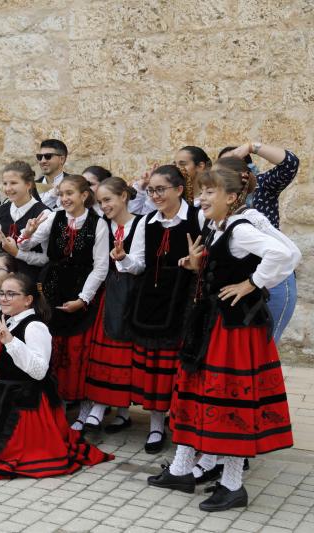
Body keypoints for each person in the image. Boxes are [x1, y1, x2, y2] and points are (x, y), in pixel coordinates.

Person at [148, 157, 296, 512]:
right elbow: (219, 265)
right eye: (201, 191)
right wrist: (196, 265)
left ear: (232, 196)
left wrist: (253, 283)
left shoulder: (242, 228)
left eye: (209, 191)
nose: (202, 198)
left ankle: (232, 485)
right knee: (196, 394)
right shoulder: (217, 225)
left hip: (233, 331)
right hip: (209, 324)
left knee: (229, 405)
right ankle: (184, 468)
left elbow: (286, 253)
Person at [0, 274, 113, 479]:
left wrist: (11, 342)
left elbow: (39, 371)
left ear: (28, 299)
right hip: (4, 397)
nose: (3, 298)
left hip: (27, 403)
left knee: (13, 455)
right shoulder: (10, 321)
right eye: (1, 293)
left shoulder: (35, 326)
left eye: (11, 294)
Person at [113, 165, 203, 453]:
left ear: (178, 189)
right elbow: (139, 264)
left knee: (178, 366)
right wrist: (124, 258)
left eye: (160, 189)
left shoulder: (197, 217)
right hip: (151, 299)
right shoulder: (147, 221)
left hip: (185, 300)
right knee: (154, 366)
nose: (155, 195)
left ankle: (183, 425)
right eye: (151, 190)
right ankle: (155, 426)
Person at [18, 175, 108, 425]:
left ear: (84, 196)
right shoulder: (53, 217)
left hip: (80, 289)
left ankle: (83, 409)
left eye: (70, 193)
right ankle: (55, 404)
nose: (65, 198)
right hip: (52, 289)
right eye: (61, 194)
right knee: (53, 347)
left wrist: (83, 298)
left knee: (79, 350)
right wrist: (27, 233)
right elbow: (24, 247)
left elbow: (100, 267)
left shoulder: (98, 224)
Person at [218, 142, 299, 341]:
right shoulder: (215, 200)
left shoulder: (263, 185)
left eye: (233, 165)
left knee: (266, 344)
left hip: (272, 276)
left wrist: (251, 147)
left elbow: (290, 163)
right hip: (237, 279)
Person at [84, 178, 142, 432]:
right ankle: (101, 405)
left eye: (108, 199)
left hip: (132, 295)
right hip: (110, 294)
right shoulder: (102, 225)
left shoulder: (141, 224)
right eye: (100, 202)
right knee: (107, 350)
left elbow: (140, 265)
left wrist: (124, 258)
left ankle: (122, 411)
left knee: (126, 352)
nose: (104, 206)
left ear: (124, 197)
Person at [0, 161, 49, 281]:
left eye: (13, 183)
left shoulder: (44, 213)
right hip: (3, 281)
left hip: (29, 281)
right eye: (5, 183)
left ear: (28, 184)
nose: (7, 188)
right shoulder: (2, 209)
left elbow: (46, 259)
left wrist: (17, 253)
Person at [34, 139, 68, 207]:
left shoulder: (75, 184)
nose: (42, 161)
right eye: (40, 157)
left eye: (48, 156)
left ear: (62, 159)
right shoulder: (32, 187)